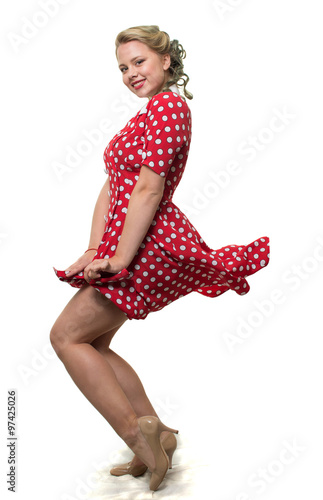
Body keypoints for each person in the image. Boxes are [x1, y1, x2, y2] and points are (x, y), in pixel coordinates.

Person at [50, 25, 270, 492]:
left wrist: (120, 258)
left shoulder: (169, 106)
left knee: (66, 337)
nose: (131, 73)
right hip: (130, 244)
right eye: (123, 67)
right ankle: (158, 437)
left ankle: (139, 438)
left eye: (139, 62)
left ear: (166, 60)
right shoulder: (144, 116)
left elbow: (148, 188)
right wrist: (94, 249)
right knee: (95, 344)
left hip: (147, 245)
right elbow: (114, 185)